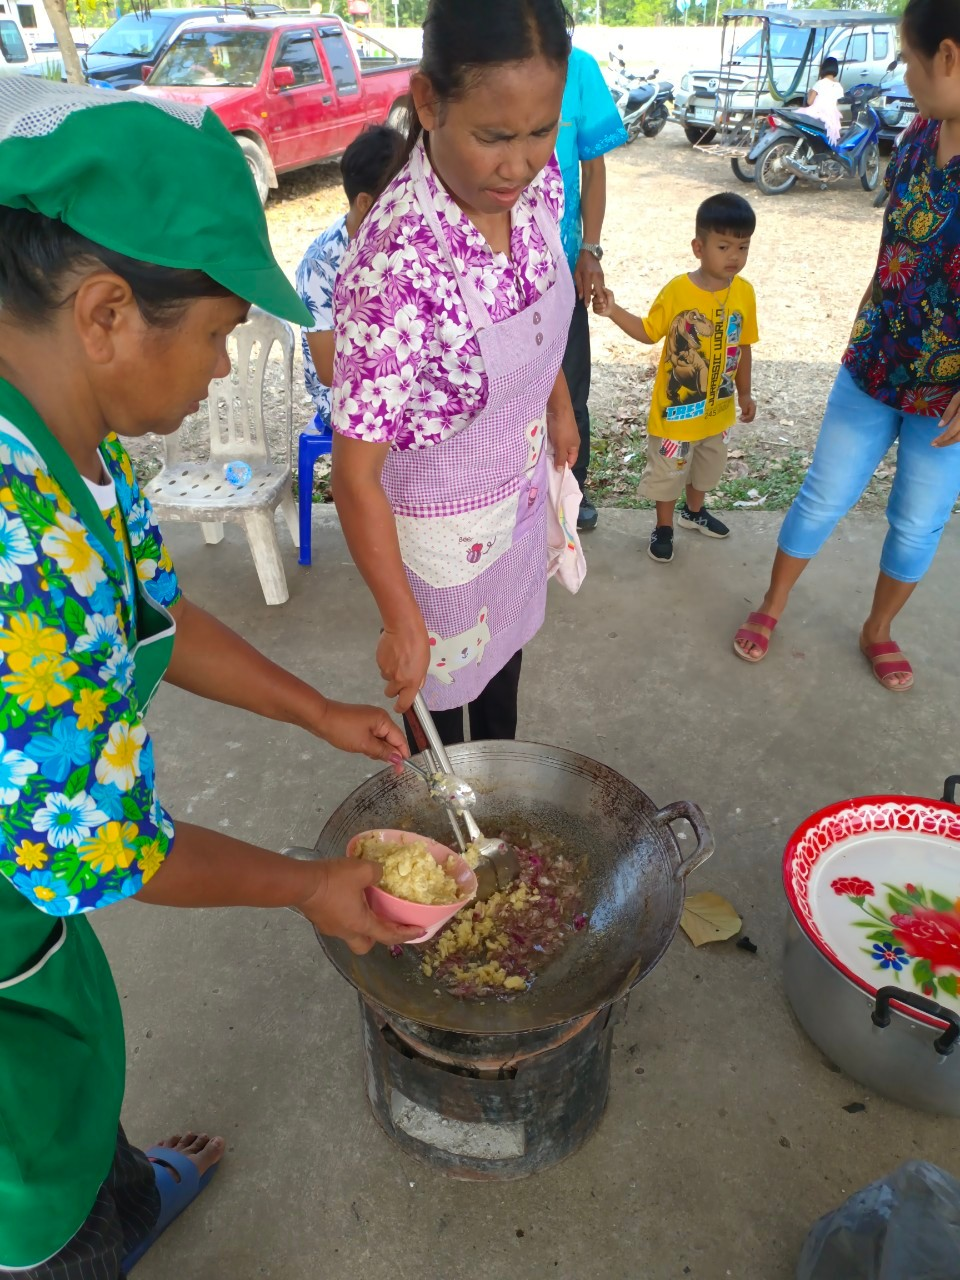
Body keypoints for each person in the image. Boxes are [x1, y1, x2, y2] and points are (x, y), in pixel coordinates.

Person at [0, 79, 420, 1279]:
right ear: (108, 312)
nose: (224, 364)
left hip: (34, 896)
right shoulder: (11, 548)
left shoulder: (74, 435)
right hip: (16, 899)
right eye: (223, 330)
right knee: (27, 1182)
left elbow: (153, 611)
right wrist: (310, 885)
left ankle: (126, 1192)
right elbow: (107, 846)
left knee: (79, 1074)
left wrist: (316, 707)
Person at [330, 0, 579, 747]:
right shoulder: (397, 266)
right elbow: (354, 476)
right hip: (437, 542)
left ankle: (498, 777)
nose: (520, 163)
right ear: (428, 102)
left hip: (516, 498)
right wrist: (400, 618)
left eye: (541, 130)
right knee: (441, 720)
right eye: (494, 137)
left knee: (503, 668)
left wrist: (558, 399)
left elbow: (537, 306)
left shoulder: (535, 182)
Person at [733, 0, 960, 692]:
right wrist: (865, 316)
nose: (904, 77)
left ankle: (877, 630)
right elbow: (895, 243)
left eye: (911, 62)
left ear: (948, 57)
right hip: (873, 364)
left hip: (946, 403)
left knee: (918, 523)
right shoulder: (921, 135)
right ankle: (773, 603)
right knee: (822, 494)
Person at [593, 192, 758, 565]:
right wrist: (613, 310)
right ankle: (664, 526)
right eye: (723, 246)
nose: (734, 256)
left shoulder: (745, 293)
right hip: (676, 415)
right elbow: (649, 331)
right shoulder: (678, 290)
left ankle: (694, 512)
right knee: (669, 473)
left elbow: (744, 346)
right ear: (698, 247)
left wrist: (745, 393)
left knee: (707, 467)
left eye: (743, 247)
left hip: (717, 412)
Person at [556, 46, 627, 532]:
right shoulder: (481, 52)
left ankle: (573, 491)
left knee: (571, 387)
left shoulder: (578, 67)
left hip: (562, 266)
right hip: (491, 269)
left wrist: (590, 250)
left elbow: (593, 168)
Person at [296, 124, 403, 428]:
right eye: (402, 199)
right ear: (366, 203)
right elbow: (330, 373)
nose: (414, 207)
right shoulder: (320, 264)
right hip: (346, 394)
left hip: (401, 376)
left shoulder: (408, 241)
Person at [796, 56, 845, 146]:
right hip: (831, 117)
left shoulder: (819, 83)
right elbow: (835, 103)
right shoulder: (839, 86)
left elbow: (810, 102)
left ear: (823, 68)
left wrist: (810, 92)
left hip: (817, 112)